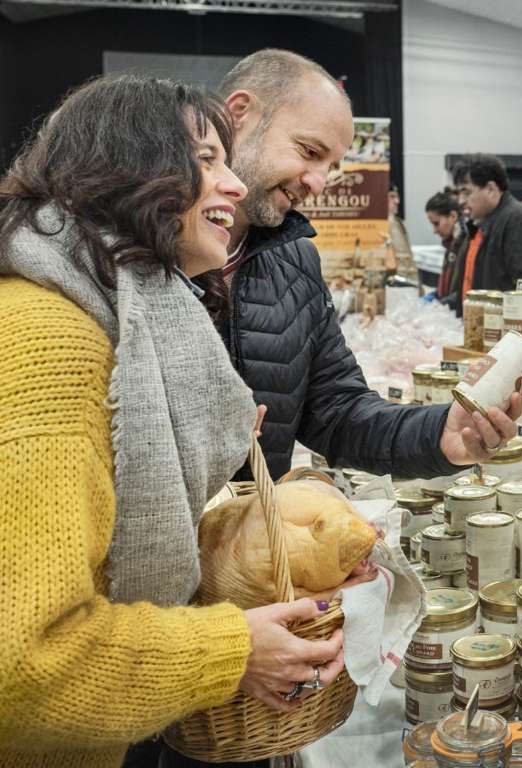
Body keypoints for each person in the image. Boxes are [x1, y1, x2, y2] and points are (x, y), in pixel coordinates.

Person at [0, 75, 355, 768]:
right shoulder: (51, 342)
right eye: (204, 160)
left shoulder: (118, 315)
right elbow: (25, 658)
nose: (230, 185)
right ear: (128, 168)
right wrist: (231, 649)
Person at [215, 50, 520, 482]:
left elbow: (339, 412)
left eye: (331, 166)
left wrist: (439, 435)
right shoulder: (130, 253)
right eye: (309, 150)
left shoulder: (294, 259)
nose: (319, 183)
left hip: (253, 540)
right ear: (238, 114)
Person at [449, 152, 522, 313]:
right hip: (479, 330)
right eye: (459, 193)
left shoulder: (519, 224)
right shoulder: (478, 226)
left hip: (503, 334)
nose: (461, 201)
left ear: (491, 189)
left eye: (466, 192)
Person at [425, 188, 466, 309]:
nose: (435, 231)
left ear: (453, 216)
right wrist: (437, 295)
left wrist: (439, 304)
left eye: (436, 223)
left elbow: (465, 289)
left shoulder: (465, 244)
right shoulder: (452, 244)